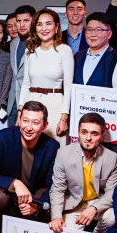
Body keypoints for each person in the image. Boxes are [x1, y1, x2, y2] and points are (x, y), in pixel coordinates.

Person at [0, 101, 59, 233]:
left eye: (35, 123)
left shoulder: (52, 146)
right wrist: (14, 183)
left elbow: (52, 185)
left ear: (44, 126)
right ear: (19, 120)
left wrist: (37, 205)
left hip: (31, 197)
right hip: (8, 194)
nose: (29, 127)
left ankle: (26, 226)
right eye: (25, 120)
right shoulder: (3, 137)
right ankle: (0, 231)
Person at [48, 113, 117, 233]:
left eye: (94, 133)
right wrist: (56, 217)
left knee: (112, 218)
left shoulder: (111, 158)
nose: (88, 138)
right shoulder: (64, 154)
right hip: (74, 204)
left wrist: (94, 208)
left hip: (98, 202)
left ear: (102, 137)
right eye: (84, 132)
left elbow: (112, 192)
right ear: (78, 133)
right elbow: (58, 188)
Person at [18, 8, 74, 145]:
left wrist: (64, 118)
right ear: (35, 28)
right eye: (39, 24)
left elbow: (68, 86)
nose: (44, 28)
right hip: (31, 103)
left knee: (55, 149)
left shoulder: (65, 51)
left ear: (56, 27)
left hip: (55, 105)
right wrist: (20, 113)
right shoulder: (30, 50)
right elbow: (26, 83)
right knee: (29, 148)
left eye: (48, 24)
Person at [5, 5, 36, 127]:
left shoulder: (39, 44)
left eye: (26, 20)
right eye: (19, 21)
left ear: (33, 21)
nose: (22, 25)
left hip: (31, 102)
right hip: (13, 103)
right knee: (11, 137)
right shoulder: (13, 43)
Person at [73, 12, 114, 87]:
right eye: (89, 30)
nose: (93, 34)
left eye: (98, 30)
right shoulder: (78, 56)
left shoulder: (115, 58)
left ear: (109, 34)